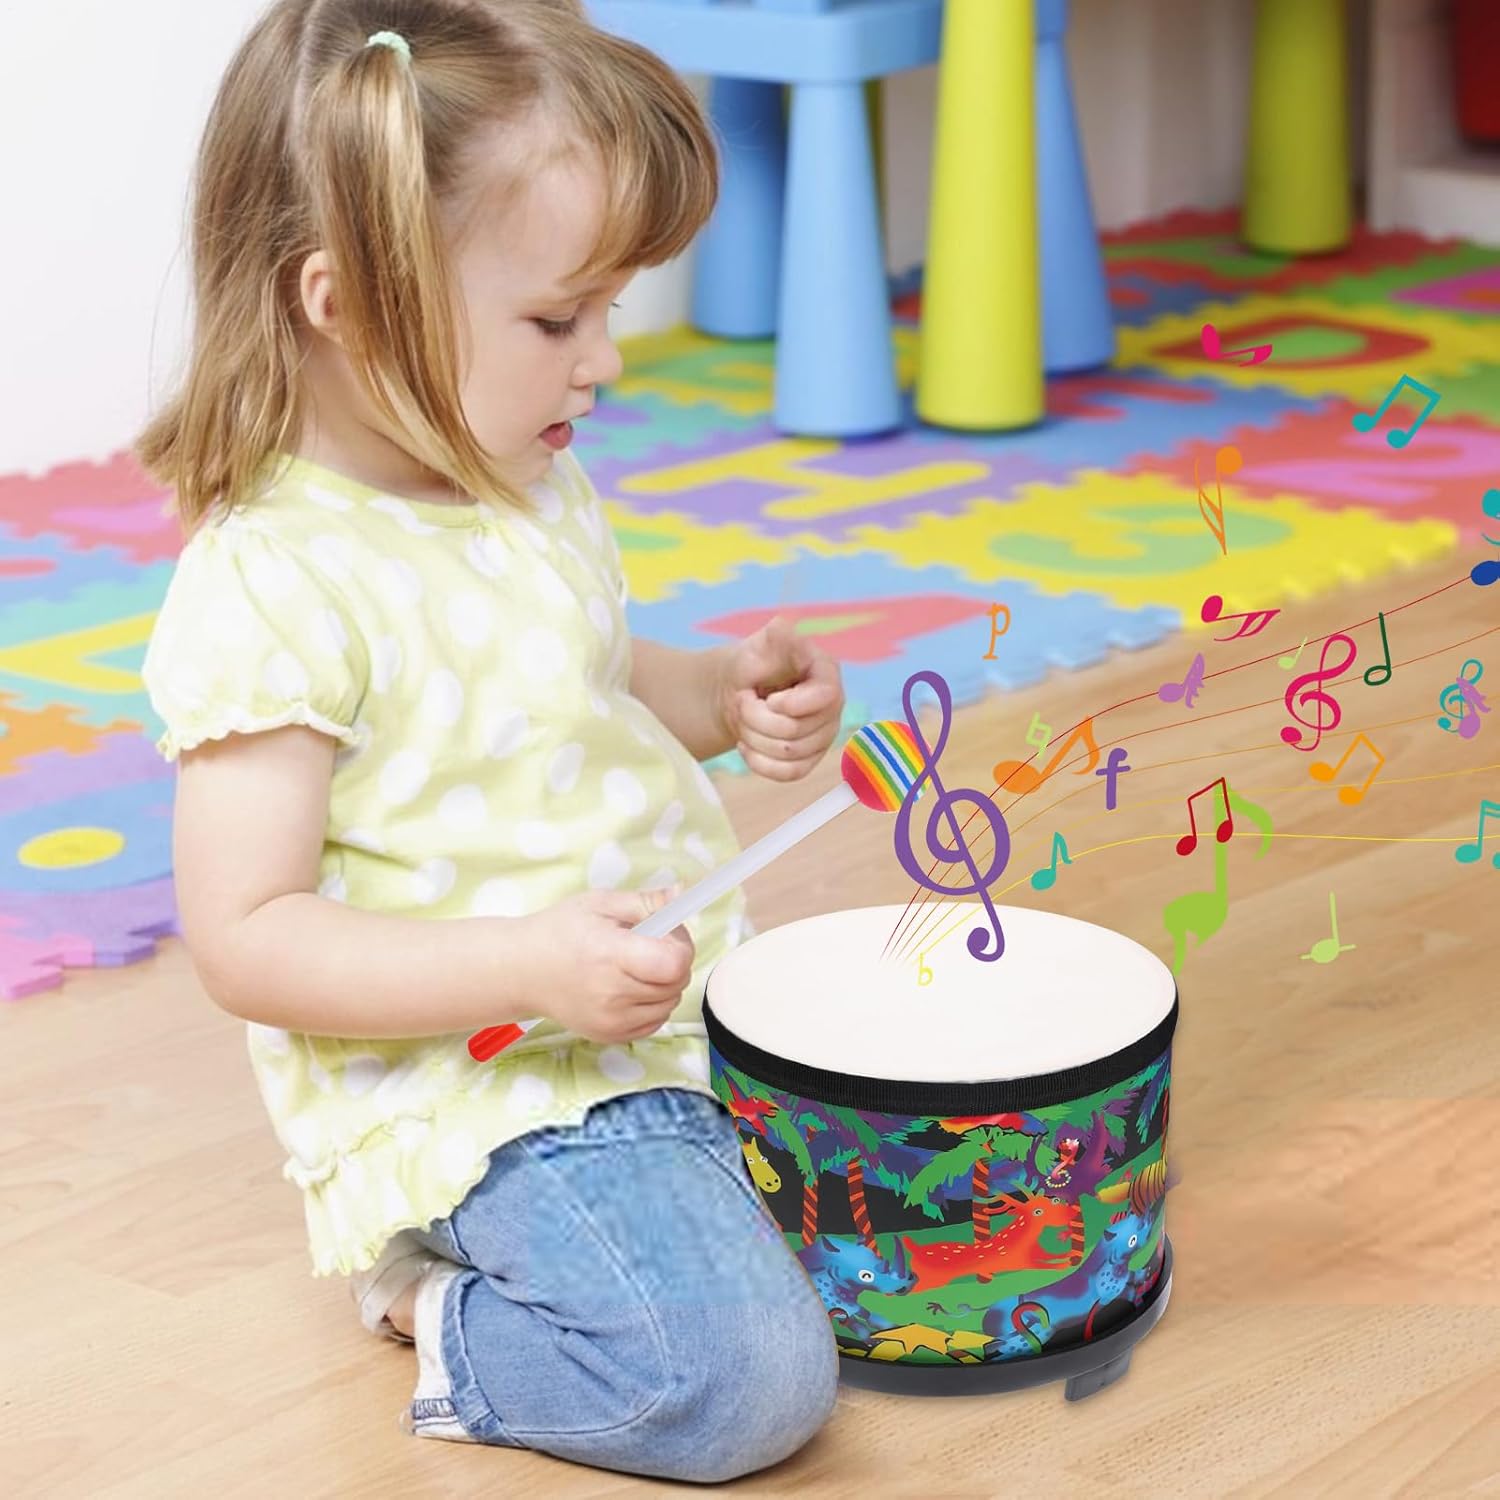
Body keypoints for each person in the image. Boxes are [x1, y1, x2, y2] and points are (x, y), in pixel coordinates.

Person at [138, 0, 847, 1481]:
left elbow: (572, 677)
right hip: (483, 1078)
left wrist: (719, 696)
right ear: (349, 303)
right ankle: (439, 1308)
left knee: (947, 1193)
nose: (605, 363)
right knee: (745, 1382)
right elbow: (248, 936)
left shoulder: (519, 469)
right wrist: (525, 966)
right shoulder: (276, 581)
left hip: (655, 1013)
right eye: (557, 320)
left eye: (610, 311)